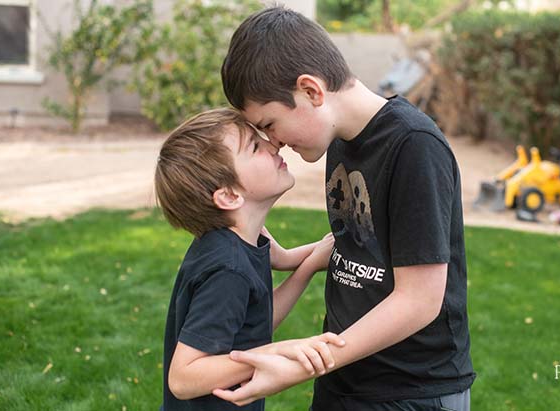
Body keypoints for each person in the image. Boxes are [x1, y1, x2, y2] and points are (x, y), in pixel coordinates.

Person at [217, 6, 475, 411]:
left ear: (311, 91)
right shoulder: (339, 141)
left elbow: (420, 299)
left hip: (410, 390)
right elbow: (358, 243)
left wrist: (306, 365)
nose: (275, 142)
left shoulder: (414, 146)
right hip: (345, 375)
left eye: (269, 125)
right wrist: (287, 258)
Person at [154, 108, 345, 411]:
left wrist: (311, 263)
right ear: (229, 196)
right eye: (255, 146)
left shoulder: (238, 238)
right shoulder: (228, 271)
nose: (273, 144)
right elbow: (183, 378)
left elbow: (252, 324)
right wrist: (277, 352)